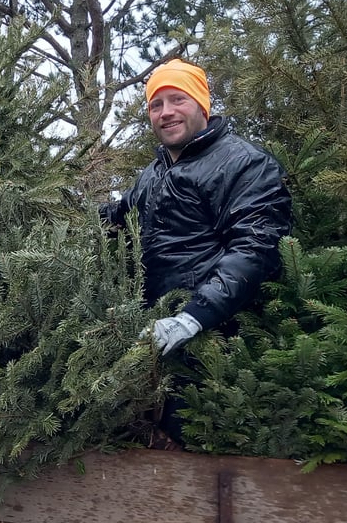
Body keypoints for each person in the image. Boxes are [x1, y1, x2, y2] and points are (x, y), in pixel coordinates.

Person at [101, 58, 293, 442]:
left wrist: (194, 317)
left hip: (213, 342)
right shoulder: (152, 175)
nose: (166, 112)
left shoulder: (244, 165)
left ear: (202, 105)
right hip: (152, 337)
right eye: (156, 104)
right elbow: (114, 225)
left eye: (178, 100)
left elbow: (255, 248)